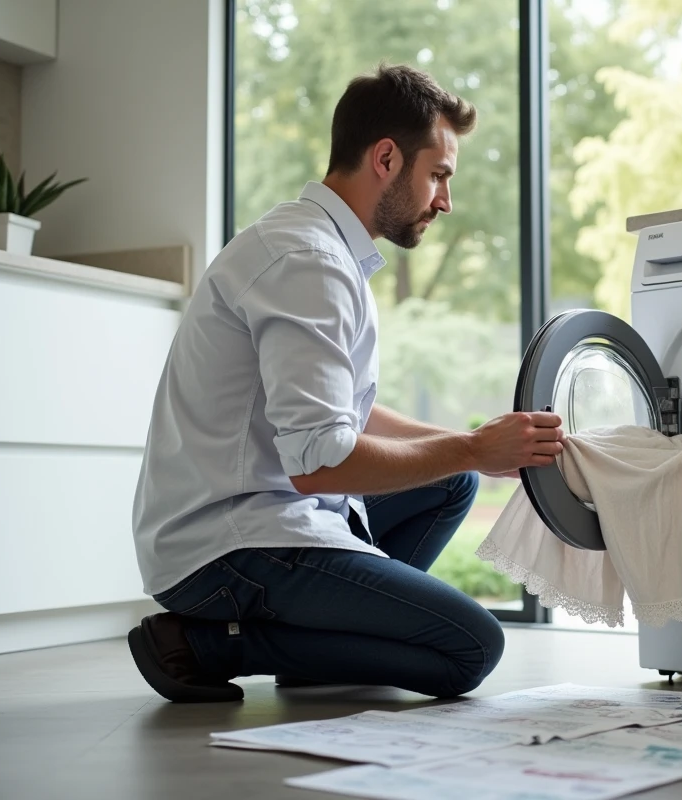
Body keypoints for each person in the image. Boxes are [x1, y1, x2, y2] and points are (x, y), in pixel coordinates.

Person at [128, 64, 564, 704]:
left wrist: (476, 449)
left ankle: (318, 648)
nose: (445, 199)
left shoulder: (317, 248)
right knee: (470, 647)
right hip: (226, 546)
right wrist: (473, 446)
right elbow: (319, 461)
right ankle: (211, 642)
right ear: (386, 157)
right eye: (438, 175)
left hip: (254, 514)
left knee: (453, 481)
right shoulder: (310, 263)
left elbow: (344, 413)